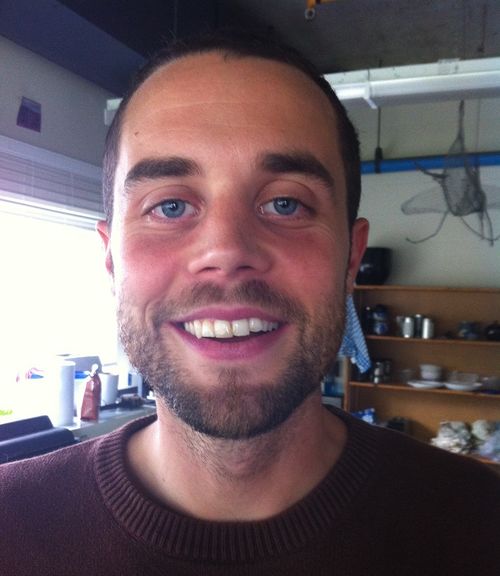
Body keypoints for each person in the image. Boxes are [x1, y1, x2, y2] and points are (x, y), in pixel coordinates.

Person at [1, 31, 499, 575]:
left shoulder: (480, 525)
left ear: (351, 258)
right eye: (169, 207)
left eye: (285, 203)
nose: (227, 251)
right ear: (111, 259)